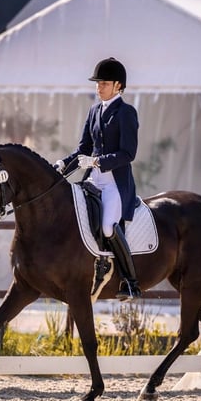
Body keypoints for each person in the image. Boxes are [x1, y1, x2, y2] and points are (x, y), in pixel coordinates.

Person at [54, 57, 142, 301]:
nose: (98, 87)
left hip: (115, 182)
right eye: (97, 83)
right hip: (93, 181)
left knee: (106, 227)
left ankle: (130, 281)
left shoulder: (126, 113)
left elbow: (128, 153)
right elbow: (84, 148)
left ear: (118, 86)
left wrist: (97, 161)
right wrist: (63, 164)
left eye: (104, 83)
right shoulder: (94, 111)